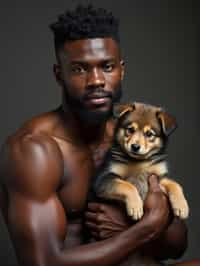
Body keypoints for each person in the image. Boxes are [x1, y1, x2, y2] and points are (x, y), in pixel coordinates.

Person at [0, 4, 199, 266]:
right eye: (80, 69)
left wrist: (145, 220)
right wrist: (143, 228)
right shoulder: (34, 150)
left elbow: (177, 246)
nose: (96, 80)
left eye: (107, 66)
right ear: (59, 75)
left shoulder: (129, 137)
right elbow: (43, 263)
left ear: (121, 70)